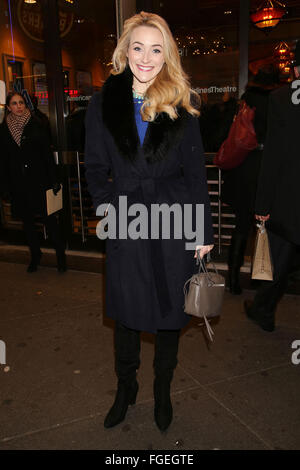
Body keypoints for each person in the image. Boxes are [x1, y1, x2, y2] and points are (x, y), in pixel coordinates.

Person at [84, 11, 214, 431]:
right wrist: (110, 212)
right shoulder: (104, 103)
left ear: (167, 54)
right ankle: (126, 389)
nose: (146, 57)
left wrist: (202, 233)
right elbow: (94, 168)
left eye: (156, 49)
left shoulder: (182, 101)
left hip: (174, 224)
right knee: (125, 314)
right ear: (125, 51)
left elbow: (196, 176)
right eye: (138, 47)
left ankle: (162, 390)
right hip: (126, 222)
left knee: (170, 316)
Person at [244, 40, 300, 332]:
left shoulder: (282, 99)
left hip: (287, 203)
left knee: (276, 264)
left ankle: (264, 311)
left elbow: (274, 156)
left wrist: (262, 205)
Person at [221, 65, 280, 294]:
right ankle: (259, 279)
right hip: (264, 170)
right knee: (264, 229)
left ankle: (233, 279)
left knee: (241, 227)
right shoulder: (277, 101)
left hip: (244, 169)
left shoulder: (246, 99)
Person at [0, 92, 67, 273]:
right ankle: (35, 256)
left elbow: (47, 156)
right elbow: (3, 161)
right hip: (19, 184)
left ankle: (61, 255)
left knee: (49, 220)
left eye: (21, 102)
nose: (19, 106)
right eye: (14, 103)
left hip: (39, 182)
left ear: (26, 105)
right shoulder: (4, 129)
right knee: (27, 223)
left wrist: (53, 180)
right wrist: (5, 186)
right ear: (8, 107)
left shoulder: (37, 124)